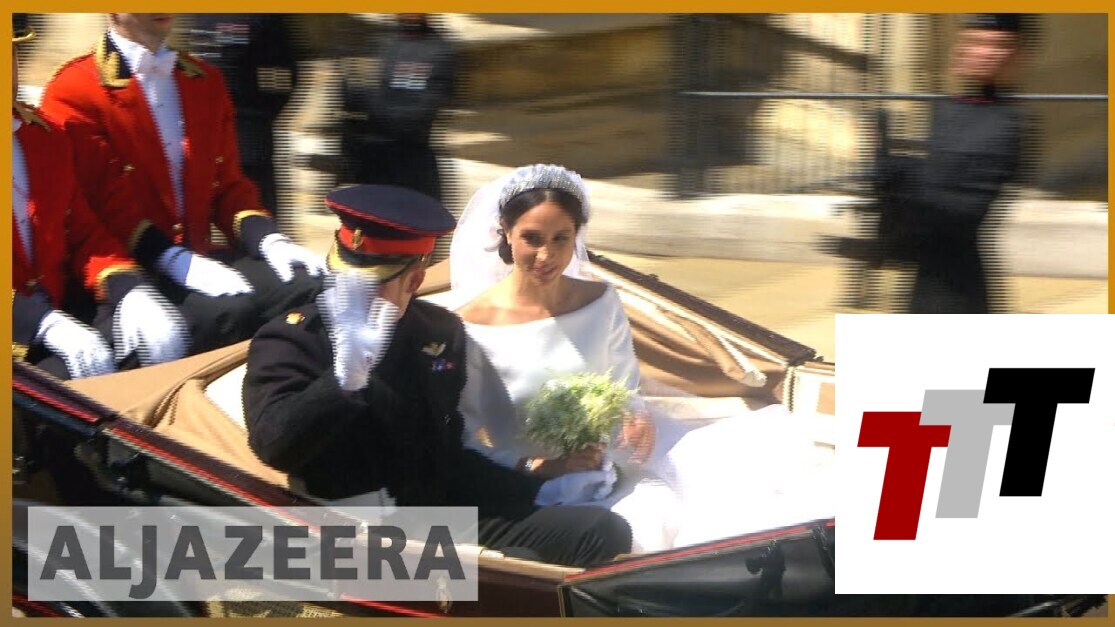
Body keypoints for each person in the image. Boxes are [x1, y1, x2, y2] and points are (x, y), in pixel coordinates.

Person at [242, 184, 632, 568]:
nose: (352, 292)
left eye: (372, 283)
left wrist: (536, 484)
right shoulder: (291, 338)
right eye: (345, 276)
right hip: (351, 529)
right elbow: (274, 447)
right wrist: (341, 383)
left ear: (413, 281)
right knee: (511, 574)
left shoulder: (438, 332)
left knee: (600, 531)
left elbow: (446, 452)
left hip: (437, 513)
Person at [452, 164, 835, 553]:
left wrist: (634, 418)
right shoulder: (468, 327)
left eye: (560, 239)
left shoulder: (601, 300)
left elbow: (625, 387)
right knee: (637, 536)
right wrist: (537, 466)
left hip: (616, 467)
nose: (546, 255)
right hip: (534, 491)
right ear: (506, 231)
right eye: (532, 239)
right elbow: (463, 440)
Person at [38, 13, 326, 355]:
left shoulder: (204, 80)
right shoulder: (74, 90)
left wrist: (269, 239)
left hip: (198, 258)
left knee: (311, 285)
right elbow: (100, 209)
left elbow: (228, 187)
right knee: (229, 313)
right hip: (127, 271)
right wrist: (170, 258)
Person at [12, 13, 189, 379]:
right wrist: (39, 322)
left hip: (58, 312)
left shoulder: (43, 137)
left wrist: (129, 289)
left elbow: (83, 235)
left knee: (154, 337)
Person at [892, 13, 1029, 314]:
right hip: (927, 273)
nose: (985, 53)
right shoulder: (946, 110)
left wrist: (904, 179)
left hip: (959, 281)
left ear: (1016, 56)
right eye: (975, 42)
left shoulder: (1010, 121)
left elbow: (966, 206)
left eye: (999, 45)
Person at [185, 13, 300, 221]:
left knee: (257, 218)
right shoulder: (199, 13)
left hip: (246, 139)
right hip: (208, 138)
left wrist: (259, 117)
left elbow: (283, 76)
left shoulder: (264, 17)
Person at [337, 13, 457, 201]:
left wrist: (365, 100)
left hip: (410, 168)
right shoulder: (381, 42)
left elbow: (415, 112)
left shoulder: (436, 51)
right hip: (370, 165)